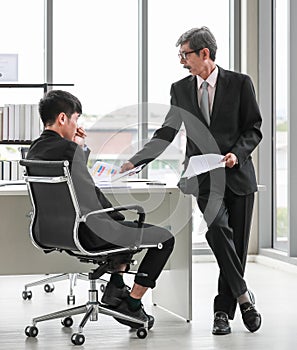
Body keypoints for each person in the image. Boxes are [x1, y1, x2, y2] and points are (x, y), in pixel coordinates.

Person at [121, 27, 262, 335]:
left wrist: (236, 154)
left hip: (238, 176)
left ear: (204, 54)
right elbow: (167, 132)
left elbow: (254, 128)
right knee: (218, 230)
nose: (182, 62)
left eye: (185, 55)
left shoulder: (240, 84)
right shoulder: (181, 89)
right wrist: (137, 160)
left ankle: (222, 313)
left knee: (234, 247)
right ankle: (244, 298)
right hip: (203, 178)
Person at [27, 89, 175, 330]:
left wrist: (79, 148)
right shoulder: (68, 151)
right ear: (63, 118)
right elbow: (90, 197)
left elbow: (74, 187)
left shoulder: (35, 149)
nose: (77, 126)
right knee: (164, 239)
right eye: (76, 119)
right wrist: (116, 216)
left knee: (122, 227)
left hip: (54, 232)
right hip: (89, 234)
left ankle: (116, 288)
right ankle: (133, 304)